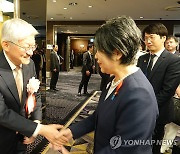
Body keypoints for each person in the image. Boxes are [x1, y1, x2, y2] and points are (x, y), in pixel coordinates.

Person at [56, 16, 159, 154]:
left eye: (99, 50)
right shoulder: (114, 79)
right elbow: (99, 115)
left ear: (117, 53)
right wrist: (71, 132)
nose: (96, 56)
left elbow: (125, 148)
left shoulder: (138, 93)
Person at [0, 18, 64, 154]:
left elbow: (36, 94)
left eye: (32, 46)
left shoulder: (29, 65)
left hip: (22, 138)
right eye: (25, 47)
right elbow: (1, 113)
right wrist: (39, 129)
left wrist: (36, 121)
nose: (31, 52)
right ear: (6, 45)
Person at [137, 23, 180, 154]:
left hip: (158, 111)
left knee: (153, 144)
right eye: (145, 38)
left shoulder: (173, 60)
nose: (148, 41)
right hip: (139, 110)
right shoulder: (142, 59)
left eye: (151, 37)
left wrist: (146, 107)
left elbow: (167, 91)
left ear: (163, 38)